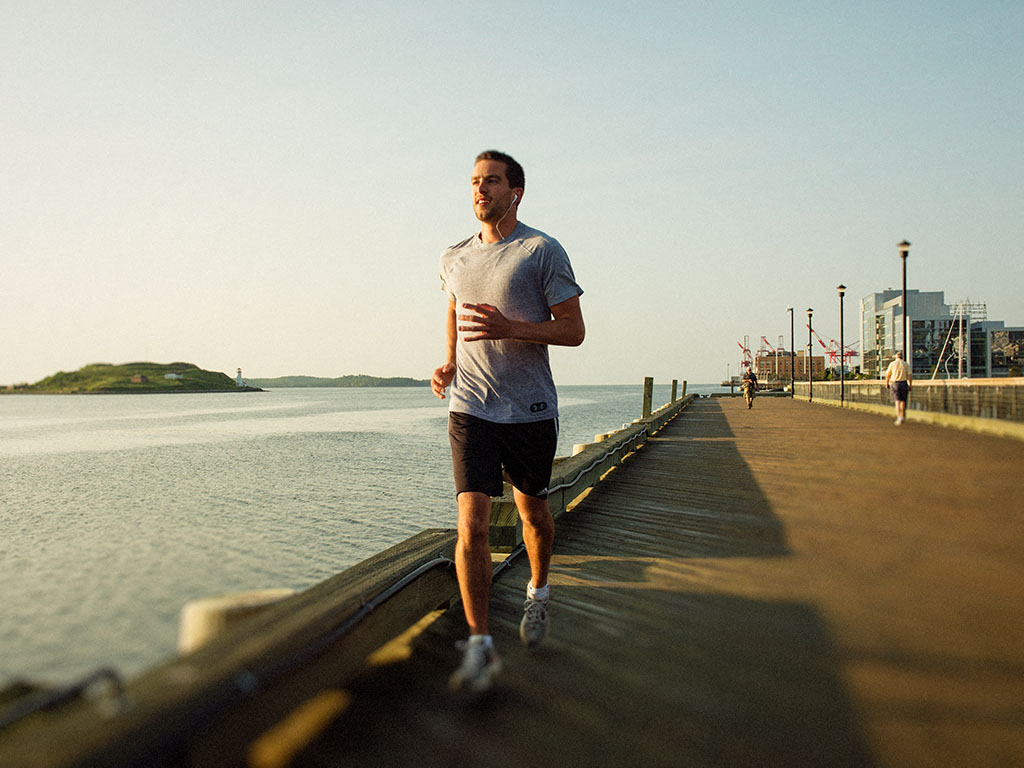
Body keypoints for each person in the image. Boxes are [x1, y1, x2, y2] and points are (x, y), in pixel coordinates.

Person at [431, 150, 585, 692]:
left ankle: (538, 592)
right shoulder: (453, 256)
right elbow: (452, 307)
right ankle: (480, 645)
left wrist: (510, 327)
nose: (480, 190)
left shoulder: (541, 251)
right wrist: (449, 360)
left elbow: (573, 331)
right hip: (470, 406)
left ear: (515, 191)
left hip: (529, 409)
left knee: (533, 513)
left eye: (491, 182)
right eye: (474, 182)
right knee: (470, 524)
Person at [884, 351, 912, 425]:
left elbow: (888, 375)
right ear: (902, 357)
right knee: (903, 401)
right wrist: (910, 385)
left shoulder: (892, 364)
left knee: (897, 401)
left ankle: (898, 417)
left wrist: (887, 383)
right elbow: (910, 375)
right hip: (903, 383)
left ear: (896, 357)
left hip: (895, 383)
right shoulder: (906, 364)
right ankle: (902, 417)